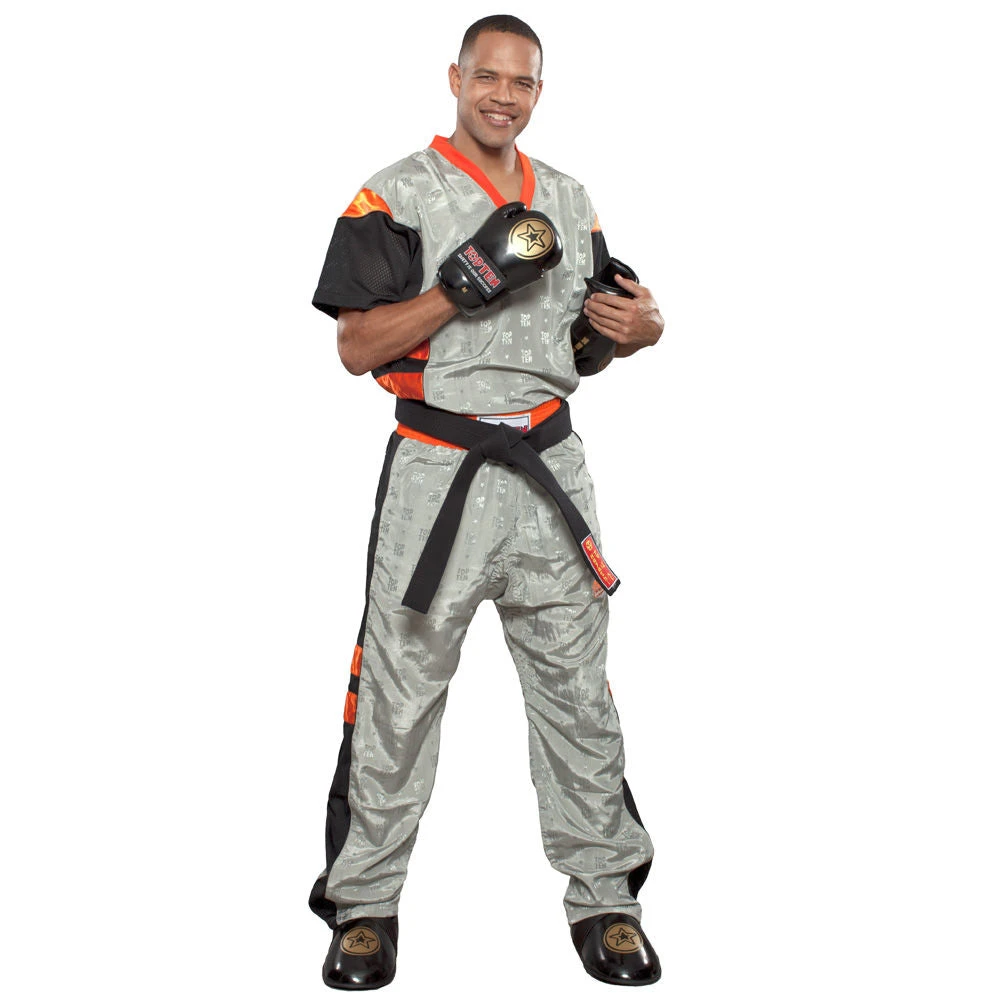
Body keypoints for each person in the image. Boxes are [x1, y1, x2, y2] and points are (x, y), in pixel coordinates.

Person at [308, 14, 665, 990]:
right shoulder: (393, 195)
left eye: (523, 82)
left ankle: (606, 899)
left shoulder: (569, 198)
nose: (504, 96)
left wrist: (640, 328)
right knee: (397, 696)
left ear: (538, 91)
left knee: (578, 695)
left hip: (550, 471)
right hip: (440, 474)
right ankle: (364, 907)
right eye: (488, 77)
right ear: (456, 78)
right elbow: (355, 347)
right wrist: (458, 287)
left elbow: (592, 335)